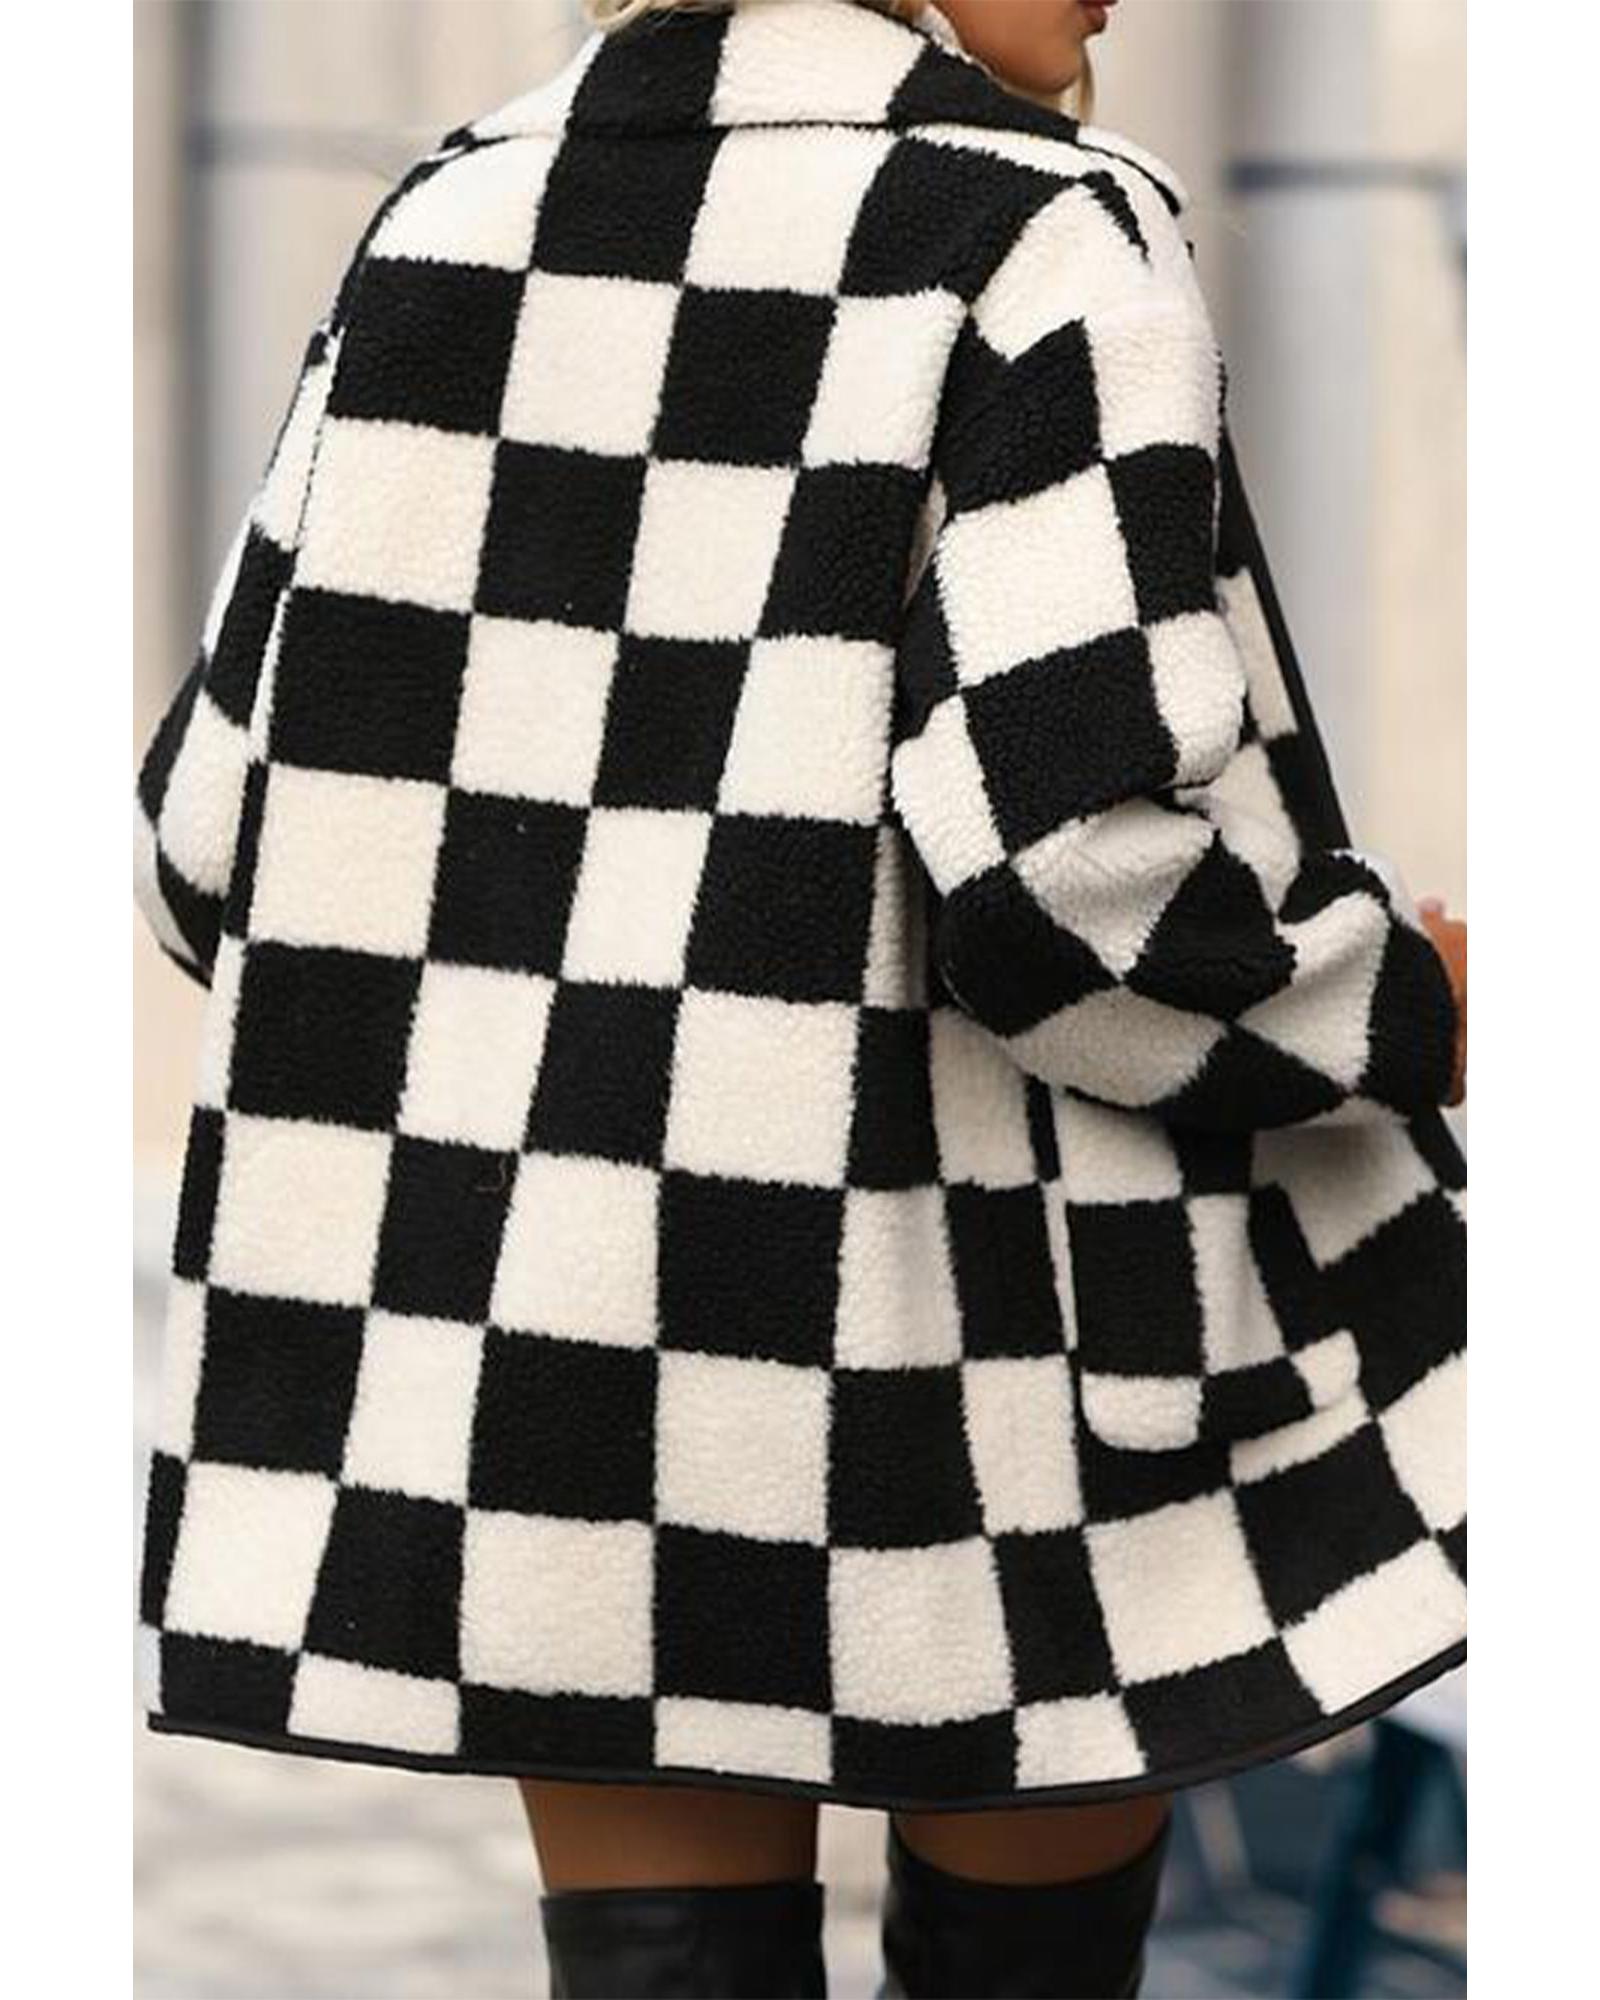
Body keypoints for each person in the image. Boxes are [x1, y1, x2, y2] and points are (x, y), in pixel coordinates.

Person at [129, 1, 1468, 1993]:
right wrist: (1400, 999)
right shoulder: (1033, 230)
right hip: (1000, 1375)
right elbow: (1069, 893)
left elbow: (206, 839)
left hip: (555, 1341)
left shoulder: (446, 219)